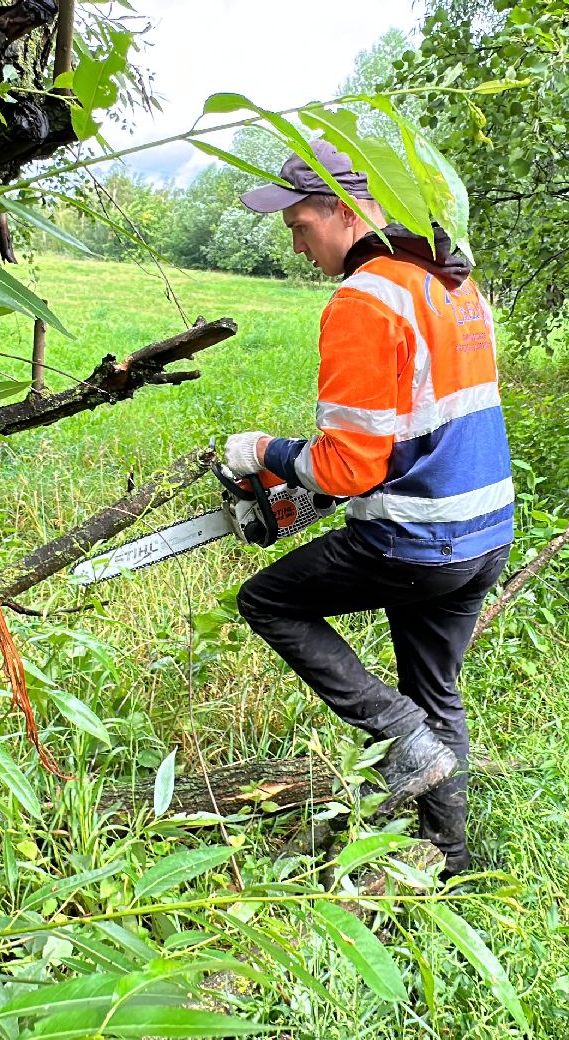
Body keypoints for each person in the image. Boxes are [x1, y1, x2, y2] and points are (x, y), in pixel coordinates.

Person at [219, 140, 514, 876]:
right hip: (485, 533)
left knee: (268, 601)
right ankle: (449, 861)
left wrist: (267, 452)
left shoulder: (364, 298)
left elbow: (349, 467)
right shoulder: (451, 284)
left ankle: (401, 739)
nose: (296, 246)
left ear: (345, 212)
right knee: (436, 689)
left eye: (299, 228)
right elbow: (417, 428)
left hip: (413, 545)